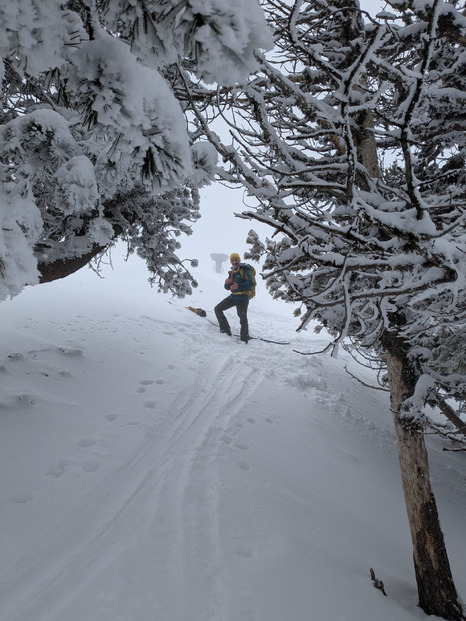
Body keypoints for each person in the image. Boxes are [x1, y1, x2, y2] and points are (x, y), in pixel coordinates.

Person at [214, 253, 253, 343]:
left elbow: (251, 284)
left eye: (236, 260)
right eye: (233, 260)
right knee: (218, 308)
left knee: (242, 318)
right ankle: (225, 330)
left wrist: (238, 286)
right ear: (231, 262)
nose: (234, 262)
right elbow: (227, 287)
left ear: (239, 260)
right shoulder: (232, 272)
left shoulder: (245, 269)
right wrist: (226, 283)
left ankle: (244, 339)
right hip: (234, 296)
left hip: (243, 297)